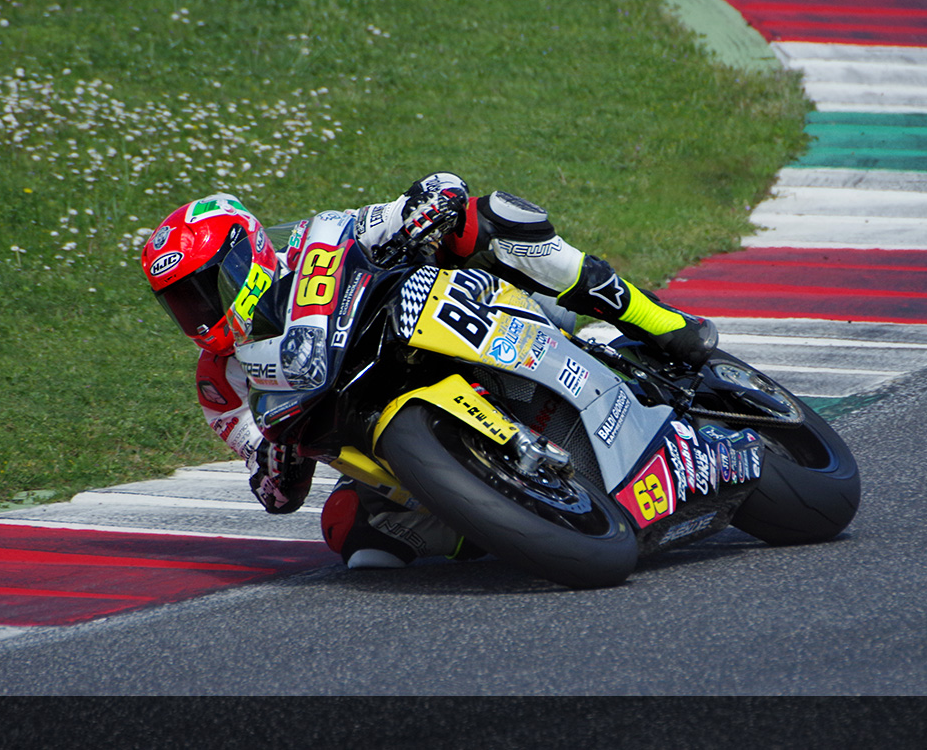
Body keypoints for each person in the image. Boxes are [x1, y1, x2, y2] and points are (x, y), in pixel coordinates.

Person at [141, 173, 717, 569]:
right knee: (351, 536)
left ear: (247, 256)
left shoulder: (318, 236)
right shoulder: (219, 385)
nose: (201, 310)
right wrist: (274, 459)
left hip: (451, 321)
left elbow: (429, 194)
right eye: (183, 302)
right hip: (376, 424)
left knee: (488, 218)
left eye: (206, 288)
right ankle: (510, 519)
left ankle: (657, 320)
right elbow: (274, 493)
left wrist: (426, 210)